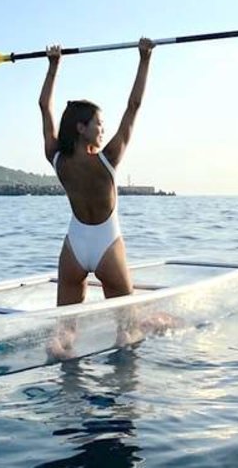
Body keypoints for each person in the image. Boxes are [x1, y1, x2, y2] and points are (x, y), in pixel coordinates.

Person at [39, 37, 155, 310]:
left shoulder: (56, 158)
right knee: (128, 328)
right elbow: (134, 106)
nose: (103, 130)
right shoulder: (108, 158)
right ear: (81, 128)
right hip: (107, 247)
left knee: (64, 333)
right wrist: (145, 59)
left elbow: (45, 107)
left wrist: (53, 66)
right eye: (99, 124)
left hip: (74, 249)